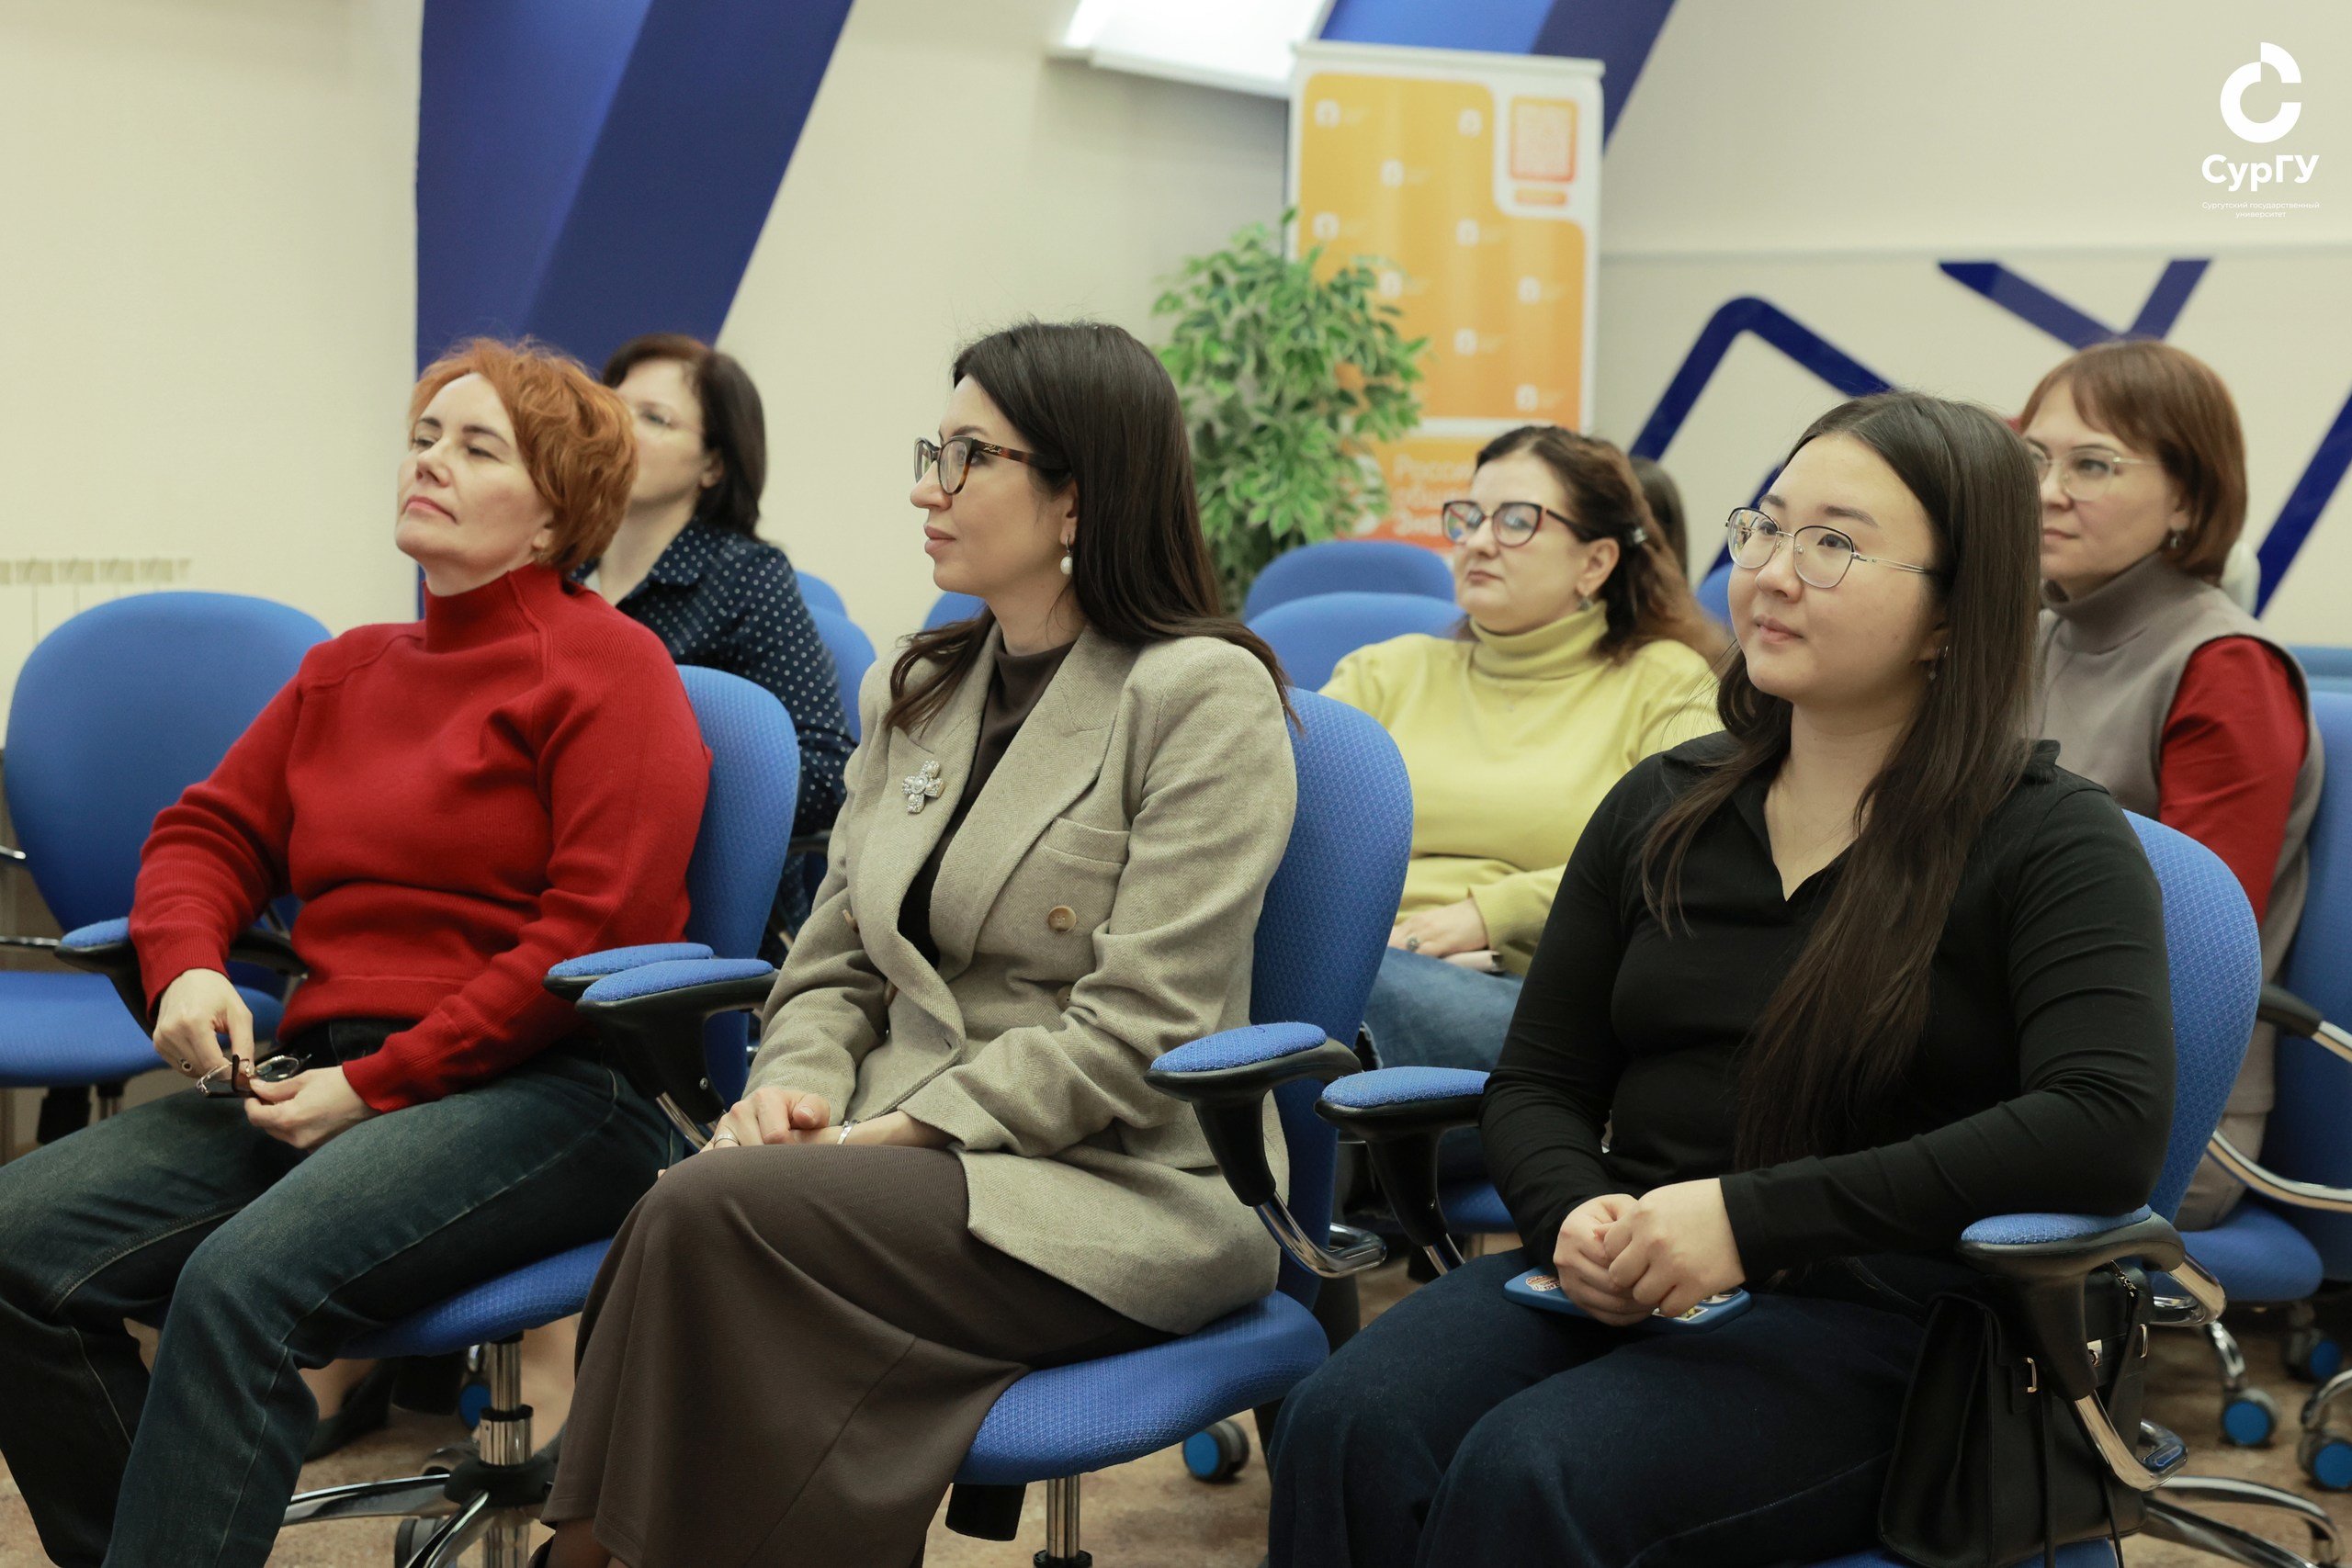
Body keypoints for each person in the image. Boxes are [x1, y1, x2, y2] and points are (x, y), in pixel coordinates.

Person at [1269, 391, 2175, 1567]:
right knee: (1344, 1421)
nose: (1772, 574)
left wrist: (1746, 1222)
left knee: (1536, 1470)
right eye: (1766, 527)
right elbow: (1540, 1079)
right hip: (1631, 1264)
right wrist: (1570, 1214)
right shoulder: (1664, 805)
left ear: (1953, 613)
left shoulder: (2048, 838)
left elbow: (2104, 1123)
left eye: (1833, 543)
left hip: (1891, 1321)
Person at [537, 320, 1299, 1568]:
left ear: (1076, 497)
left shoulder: (1199, 694)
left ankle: (580, 1553)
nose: (926, 488)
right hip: (888, 1156)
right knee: (708, 1215)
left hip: (1114, 1181)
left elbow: (1143, 1029)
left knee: (706, 1218)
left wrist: (894, 1133)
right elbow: (835, 957)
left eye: (968, 456)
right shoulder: (921, 685)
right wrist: (794, 1090)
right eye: (931, 451)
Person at [0, 339, 710, 1567]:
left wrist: (378, 1086)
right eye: (425, 436)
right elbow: (206, 834)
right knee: (17, 1243)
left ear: (557, 516)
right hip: (329, 1073)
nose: (429, 460)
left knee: (240, 1285)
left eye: (477, 447)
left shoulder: (613, 668)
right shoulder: (347, 669)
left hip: (550, 1089)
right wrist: (188, 962)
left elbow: (591, 936)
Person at [1323, 427, 1716, 1139]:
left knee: (1339, 993)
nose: (1477, 542)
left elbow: (1677, 856)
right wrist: (1373, 936)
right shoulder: (1385, 672)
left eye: (1515, 520)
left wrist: (1488, 915)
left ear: (1595, 561)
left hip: (1532, 993)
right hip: (1368, 954)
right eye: (1469, 517)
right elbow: (1285, 828)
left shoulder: (1664, 683)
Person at [2025, 339, 2322, 1228]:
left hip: (2164, 1113)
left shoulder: (2225, 667)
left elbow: (2187, 950)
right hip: (2023, 1057)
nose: (2047, 490)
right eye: (2034, 457)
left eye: (2091, 464)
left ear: (2187, 499)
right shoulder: (2039, 630)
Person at [594, 333, 853, 941]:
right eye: (610, 408)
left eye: (653, 418)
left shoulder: (745, 578)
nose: (617, 430)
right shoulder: (552, 564)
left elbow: (826, 772)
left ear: (712, 464)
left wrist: (668, 790)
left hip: (687, 900)